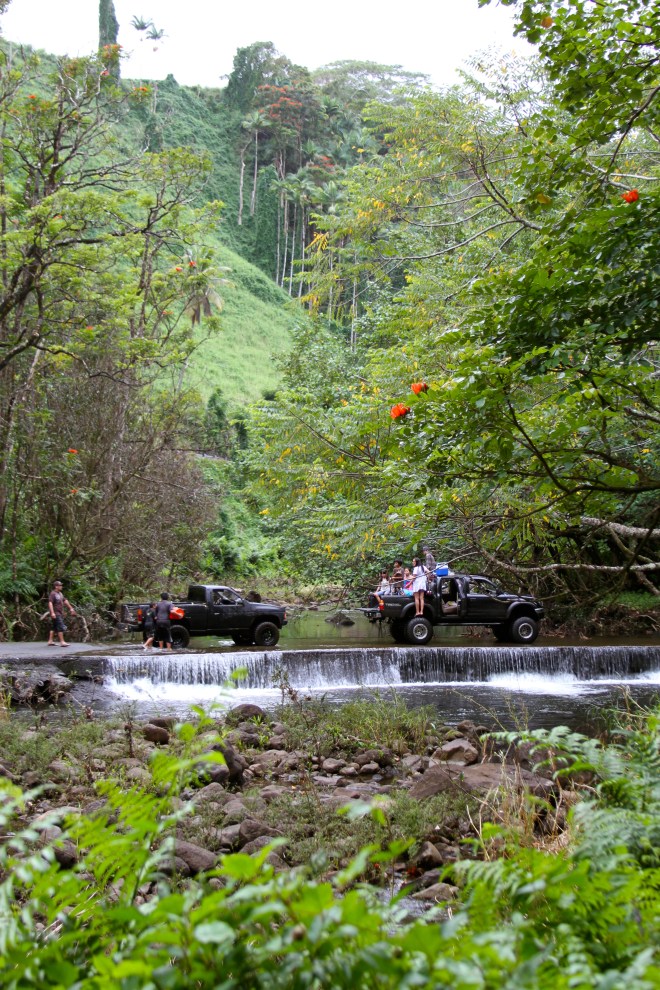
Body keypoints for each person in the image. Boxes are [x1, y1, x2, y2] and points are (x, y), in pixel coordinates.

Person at [47, 579, 76, 647]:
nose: (61, 586)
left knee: (54, 627)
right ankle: (62, 642)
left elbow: (65, 601)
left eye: (61, 585)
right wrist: (52, 613)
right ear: (56, 586)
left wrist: (71, 608)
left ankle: (50, 641)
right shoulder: (53, 594)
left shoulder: (60, 594)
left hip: (59, 612)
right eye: (60, 585)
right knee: (60, 626)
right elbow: (50, 603)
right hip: (56, 613)